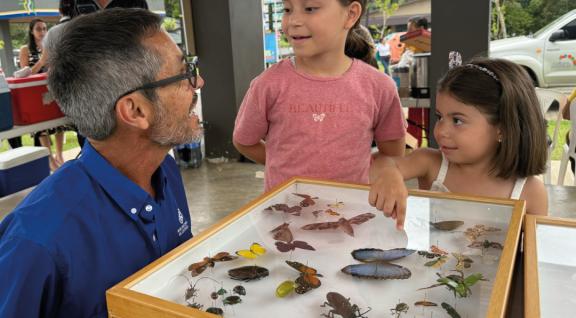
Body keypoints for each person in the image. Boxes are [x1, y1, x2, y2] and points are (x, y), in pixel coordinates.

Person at [0, 8, 202, 316]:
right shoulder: (37, 242)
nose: (198, 82)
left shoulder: (163, 170)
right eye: (184, 73)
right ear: (135, 111)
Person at [233, 0, 406, 194]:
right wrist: (283, 163)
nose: (294, 21)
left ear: (350, 14)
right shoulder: (268, 84)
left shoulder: (380, 87)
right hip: (285, 215)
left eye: (310, 9)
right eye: (287, 9)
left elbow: (392, 154)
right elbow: (244, 140)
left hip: (352, 214)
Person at [369, 57, 548, 228]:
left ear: (502, 128)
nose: (440, 131)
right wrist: (389, 173)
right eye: (440, 117)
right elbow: (383, 164)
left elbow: (535, 253)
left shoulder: (530, 192)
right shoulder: (431, 164)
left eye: (457, 120)